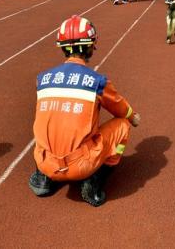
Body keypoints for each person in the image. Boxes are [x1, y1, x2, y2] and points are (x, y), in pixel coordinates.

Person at [29, 15, 141, 207]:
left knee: (49, 124)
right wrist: (133, 117)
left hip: (44, 160)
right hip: (80, 165)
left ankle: (44, 178)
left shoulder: (42, 79)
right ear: (91, 46)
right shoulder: (97, 82)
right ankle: (95, 179)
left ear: (62, 47)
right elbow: (121, 109)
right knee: (123, 125)